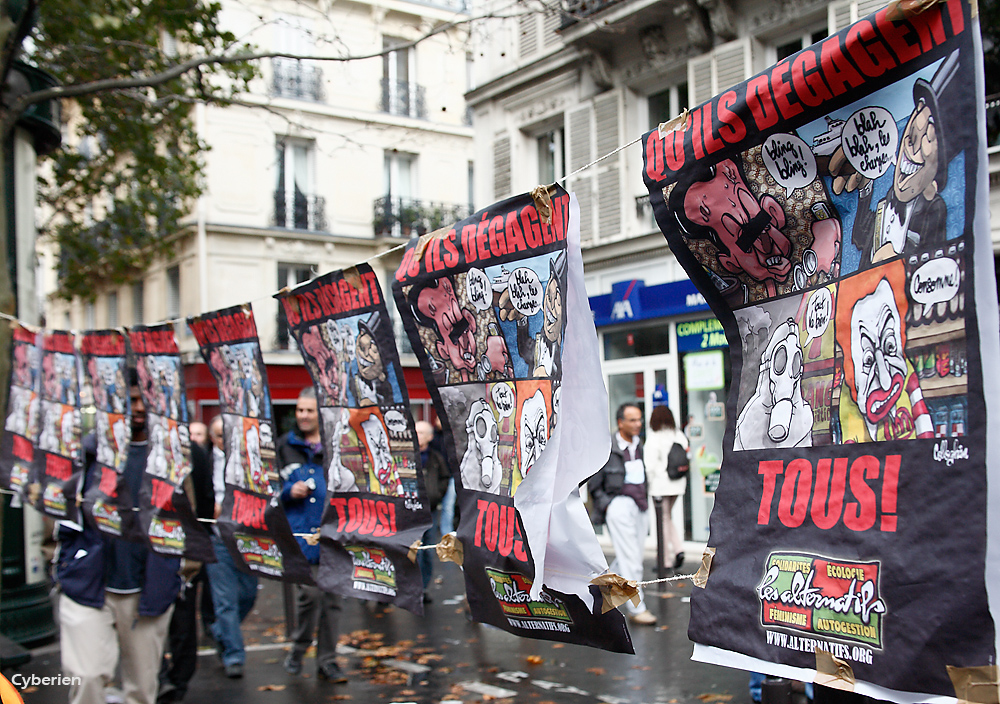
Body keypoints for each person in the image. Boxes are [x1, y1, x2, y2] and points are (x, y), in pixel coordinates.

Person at [57, 370, 185, 704]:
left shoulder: (172, 456)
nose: (139, 408)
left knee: (142, 690)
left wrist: (179, 571)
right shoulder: (88, 452)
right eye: (131, 400)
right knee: (86, 679)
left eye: (145, 400)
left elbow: (194, 518)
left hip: (148, 589)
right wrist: (65, 558)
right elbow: (59, 506)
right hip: (88, 582)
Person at [278, 387, 346, 683]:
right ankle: (300, 645)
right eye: (299, 410)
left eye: (308, 410)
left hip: (334, 537)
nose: (303, 416)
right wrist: (287, 492)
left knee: (332, 601)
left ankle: (328, 661)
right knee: (310, 596)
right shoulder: (284, 447)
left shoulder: (338, 447)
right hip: (300, 538)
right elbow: (264, 488)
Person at [587, 403, 657, 626]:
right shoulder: (608, 447)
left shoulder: (642, 446)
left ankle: (598, 592)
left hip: (640, 506)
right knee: (630, 561)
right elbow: (594, 483)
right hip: (618, 506)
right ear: (620, 423)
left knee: (632, 557)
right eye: (632, 420)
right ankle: (638, 608)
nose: (638, 424)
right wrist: (608, 505)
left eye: (639, 419)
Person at [157, 441, 216, 702]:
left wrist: (195, 550)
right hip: (148, 554)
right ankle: (159, 678)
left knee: (182, 623)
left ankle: (177, 683)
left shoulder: (192, 453)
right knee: (149, 623)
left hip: (183, 555)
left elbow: (205, 498)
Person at [204, 415, 258, 679]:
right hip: (217, 540)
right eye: (219, 435)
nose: (224, 439)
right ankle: (234, 656)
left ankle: (220, 631)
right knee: (225, 600)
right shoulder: (203, 461)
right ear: (212, 438)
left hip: (245, 538)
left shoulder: (247, 461)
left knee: (248, 594)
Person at [643, 406, 688, 572]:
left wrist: (646, 484)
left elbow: (650, 465)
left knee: (662, 520)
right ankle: (678, 549)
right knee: (667, 518)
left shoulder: (654, 437)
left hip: (660, 485)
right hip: (677, 484)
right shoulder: (679, 435)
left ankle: (665, 560)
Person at [415, 420, 451, 602]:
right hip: (410, 512)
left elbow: (445, 477)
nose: (417, 436)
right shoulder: (405, 457)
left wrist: (437, 494)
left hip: (430, 510)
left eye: (421, 432)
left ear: (429, 437)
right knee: (410, 549)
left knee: (427, 550)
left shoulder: (435, 458)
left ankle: (423, 588)